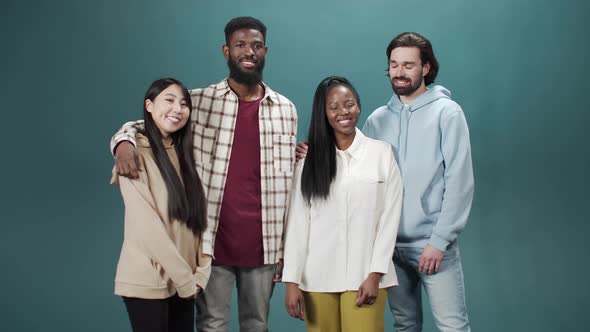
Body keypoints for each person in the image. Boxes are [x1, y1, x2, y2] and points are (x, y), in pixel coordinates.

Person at [110, 17, 298, 332]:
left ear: (265, 51)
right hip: (211, 243)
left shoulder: (286, 109)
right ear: (227, 51)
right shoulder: (199, 101)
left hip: (263, 243)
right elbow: (150, 123)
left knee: (257, 324)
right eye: (240, 45)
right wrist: (123, 142)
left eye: (255, 45)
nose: (248, 51)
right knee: (211, 324)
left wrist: (286, 248)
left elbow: (285, 179)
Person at [362, 32, 474, 332]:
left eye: (408, 65)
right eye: (394, 64)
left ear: (425, 68)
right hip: (390, 249)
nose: (399, 72)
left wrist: (439, 242)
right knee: (405, 325)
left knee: (452, 327)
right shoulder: (376, 120)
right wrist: (313, 153)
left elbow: (460, 182)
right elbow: (356, 171)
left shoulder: (447, 113)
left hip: (433, 245)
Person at [283, 76, 403, 332]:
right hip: (315, 278)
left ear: (358, 106)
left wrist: (375, 274)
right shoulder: (308, 163)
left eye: (349, 104)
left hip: (365, 277)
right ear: (324, 114)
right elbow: (297, 224)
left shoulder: (382, 154)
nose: (343, 112)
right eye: (334, 107)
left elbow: (389, 220)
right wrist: (291, 282)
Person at [111, 78, 211, 332]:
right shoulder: (133, 155)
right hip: (149, 280)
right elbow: (146, 228)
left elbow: (202, 219)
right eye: (169, 100)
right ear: (149, 105)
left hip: (186, 280)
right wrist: (186, 280)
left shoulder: (188, 153)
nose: (178, 109)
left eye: (184, 104)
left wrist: (201, 273)